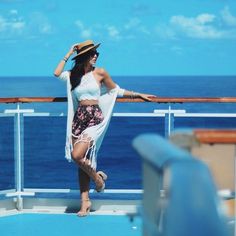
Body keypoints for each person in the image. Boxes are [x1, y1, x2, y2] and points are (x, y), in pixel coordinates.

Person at [54, 40, 154, 217]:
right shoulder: (73, 76)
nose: (95, 57)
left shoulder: (100, 73)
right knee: (81, 162)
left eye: (96, 54)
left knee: (77, 155)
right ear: (84, 56)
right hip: (78, 120)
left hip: (94, 120)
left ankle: (98, 180)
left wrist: (138, 94)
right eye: (92, 54)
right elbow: (56, 73)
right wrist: (69, 52)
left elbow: (116, 90)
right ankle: (85, 202)